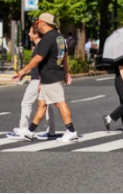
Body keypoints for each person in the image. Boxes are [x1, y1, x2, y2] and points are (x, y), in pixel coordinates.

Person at [10, 13, 78, 141]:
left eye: (37, 23)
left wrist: (22, 71)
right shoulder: (59, 38)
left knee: (59, 103)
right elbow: (65, 57)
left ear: (42, 23)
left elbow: (38, 58)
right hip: (53, 74)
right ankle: (30, 131)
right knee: (42, 104)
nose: (36, 26)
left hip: (50, 75)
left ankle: (71, 130)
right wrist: (66, 72)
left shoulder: (47, 39)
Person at [4, 26, 57, 140]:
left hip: (38, 79)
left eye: (29, 32)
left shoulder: (40, 47)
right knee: (47, 105)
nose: (28, 34)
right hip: (43, 79)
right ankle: (51, 131)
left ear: (36, 34)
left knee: (27, 103)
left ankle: (23, 129)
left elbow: (41, 64)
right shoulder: (41, 46)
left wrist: (39, 81)